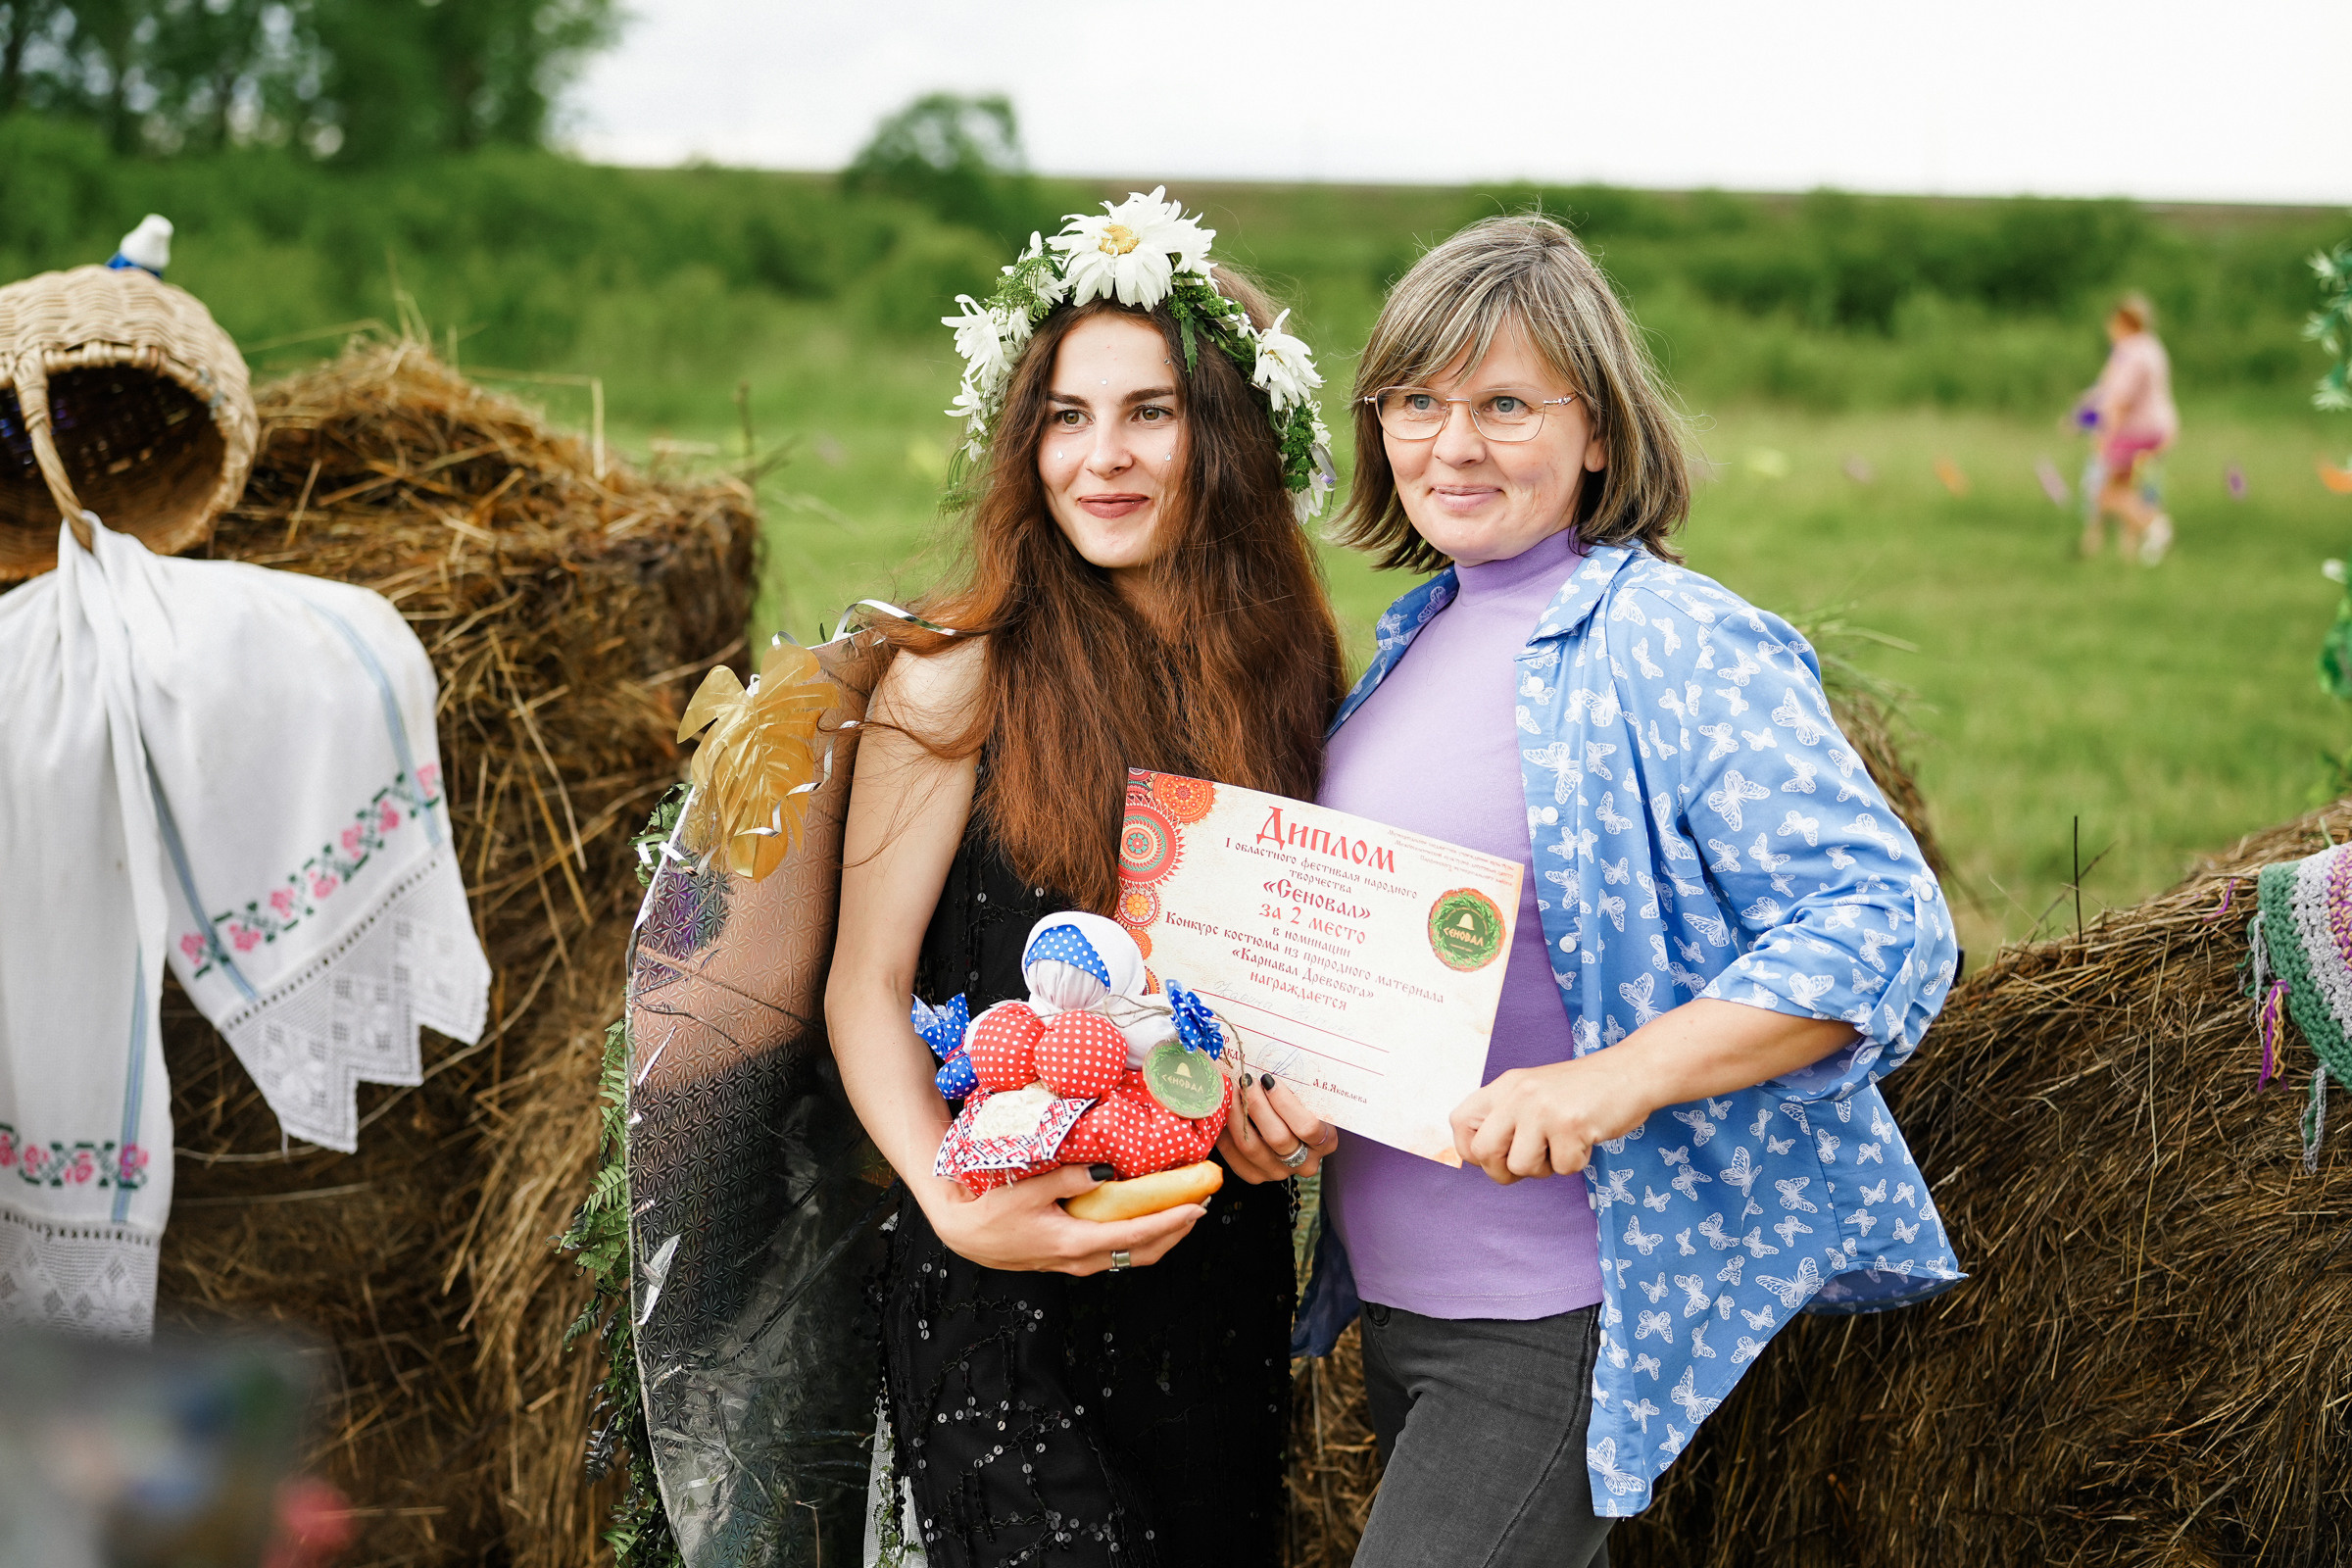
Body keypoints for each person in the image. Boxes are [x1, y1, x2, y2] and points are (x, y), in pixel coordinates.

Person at [1300, 215, 1965, 1567]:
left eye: (1503, 404)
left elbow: (1882, 923)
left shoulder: (1671, 639)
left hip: (1551, 1314)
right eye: (1415, 401)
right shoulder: (1415, 638)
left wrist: (1617, 1078)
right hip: (1403, 1306)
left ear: (1597, 431)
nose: (1453, 443)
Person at [825, 190, 1346, 1568]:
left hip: (1210, 1279)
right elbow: (865, 987)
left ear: (1228, 437)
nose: (1100, 457)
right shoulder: (959, 675)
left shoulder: (1292, 681)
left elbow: (1299, 991)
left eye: (1150, 414)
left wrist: (1290, 1109)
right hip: (1001, 1273)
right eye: (1065, 416)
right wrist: (949, 1198)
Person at [2074, 291, 2179, 565]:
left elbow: (2119, 402)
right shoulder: (2152, 346)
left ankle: (2155, 525)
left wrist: (2104, 438)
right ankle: (2132, 555)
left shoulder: (2130, 352)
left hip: (2135, 433)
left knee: (2104, 496)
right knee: (2125, 487)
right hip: (2159, 429)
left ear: (2122, 322)